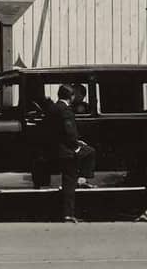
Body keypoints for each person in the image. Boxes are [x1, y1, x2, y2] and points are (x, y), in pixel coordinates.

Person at [34, 82, 95, 222]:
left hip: (54, 149)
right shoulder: (66, 110)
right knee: (71, 181)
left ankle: (81, 180)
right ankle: (69, 211)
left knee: (69, 180)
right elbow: (69, 132)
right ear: (71, 96)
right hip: (66, 151)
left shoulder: (52, 108)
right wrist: (76, 146)